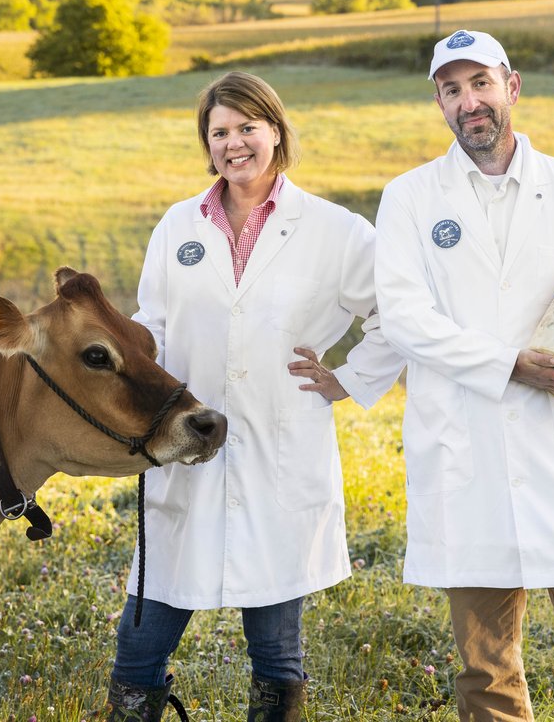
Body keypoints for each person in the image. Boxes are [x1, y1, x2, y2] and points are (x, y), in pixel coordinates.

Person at [373, 30, 554, 722]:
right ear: (438, 102)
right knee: (485, 670)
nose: (469, 101)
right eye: (452, 89)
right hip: (464, 455)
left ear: (513, 87)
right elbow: (405, 319)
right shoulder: (410, 198)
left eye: (481, 84)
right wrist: (510, 366)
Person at [104, 71, 407, 722]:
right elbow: (153, 326)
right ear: (206, 144)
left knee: (275, 653)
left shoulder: (333, 230)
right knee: (140, 643)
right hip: (185, 449)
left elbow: (396, 313)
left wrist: (345, 379)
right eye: (220, 132)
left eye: (248, 127)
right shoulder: (178, 226)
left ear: (275, 131)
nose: (234, 143)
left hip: (279, 453)